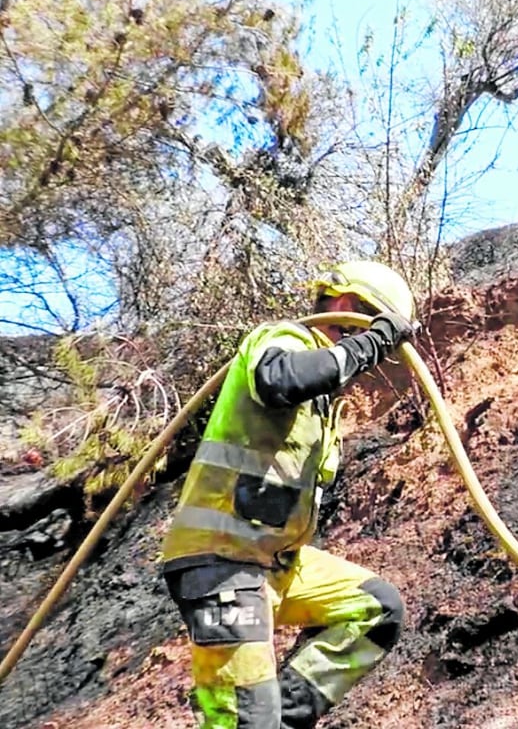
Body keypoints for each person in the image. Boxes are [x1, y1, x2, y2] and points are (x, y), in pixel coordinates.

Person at [160, 260, 419, 727]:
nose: (371, 361)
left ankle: (282, 720)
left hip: (276, 564)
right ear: (346, 307)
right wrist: (377, 338)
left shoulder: (323, 406)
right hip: (222, 563)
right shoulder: (283, 339)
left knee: (376, 610)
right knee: (242, 721)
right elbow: (279, 379)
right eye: (367, 329)